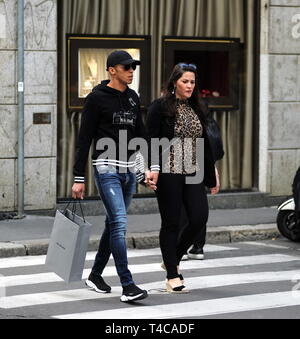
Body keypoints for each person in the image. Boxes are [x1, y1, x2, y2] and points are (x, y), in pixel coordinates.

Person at [72, 50, 153, 303]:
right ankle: (127, 286)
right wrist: (78, 177)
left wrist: (146, 170)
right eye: (126, 67)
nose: (131, 71)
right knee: (119, 223)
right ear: (112, 70)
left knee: (112, 225)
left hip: (129, 171)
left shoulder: (132, 97)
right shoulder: (96, 98)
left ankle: (95, 275)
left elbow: (140, 136)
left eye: (133, 67)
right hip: (106, 168)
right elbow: (84, 138)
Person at [146, 63, 220, 293]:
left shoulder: (198, 106)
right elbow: (150, 140)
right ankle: (172, 276)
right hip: (168, 170)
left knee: (199, 218)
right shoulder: (159, 107)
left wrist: (213, 169)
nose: (189, 86)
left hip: (193, 170)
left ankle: (172, 258)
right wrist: (152, 168)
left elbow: (205, 142)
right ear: (174, 82)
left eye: (192, 82)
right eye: (185, 81)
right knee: (172, 222)